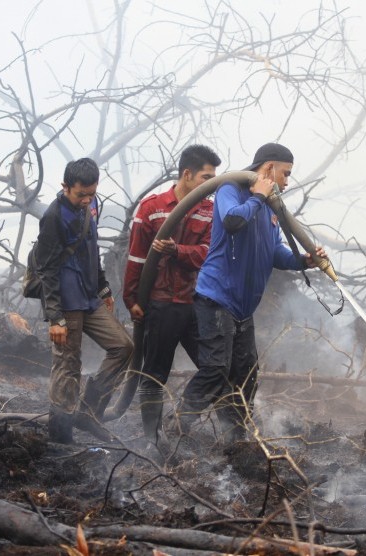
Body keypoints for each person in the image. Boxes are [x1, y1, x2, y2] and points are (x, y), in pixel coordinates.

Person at [176, 143, 326, 443]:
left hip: (243, 308)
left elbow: (275, 253)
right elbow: (233, 222)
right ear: (269, 168)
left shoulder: (269, 207)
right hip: (216, 298)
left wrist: (304, 261)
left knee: (246, 374)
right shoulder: (231, 189)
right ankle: (178, 426)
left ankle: (236, 437)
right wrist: (258, 195)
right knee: (217, 368)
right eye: (285, 174)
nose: (286, 182)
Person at [123, 145, 221, 447]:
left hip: (194, 303)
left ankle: (179, 421)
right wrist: (132, 300)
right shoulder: (152, 207)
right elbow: (137, 257)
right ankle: (152, 441)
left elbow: (207, 253)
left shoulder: (209, 209)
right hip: (161, 304)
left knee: (214, 367)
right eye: (206, 177)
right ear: (187, 175)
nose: (211, 185)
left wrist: (177, 251)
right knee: (154, 374)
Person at [35, 158, 133, 443]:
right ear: (66, 187)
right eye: (81, 194)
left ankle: (88, 413)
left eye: (91, 192)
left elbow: (91, 250)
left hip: (89, 297)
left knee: (124, 346)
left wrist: (103, 289)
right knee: (68, 365)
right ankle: (60, 436)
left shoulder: (91, 206)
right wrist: (55, 318)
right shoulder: (53, 216)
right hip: (66, 300)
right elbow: (46, 270)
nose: (87, 199)